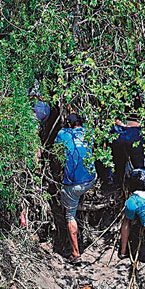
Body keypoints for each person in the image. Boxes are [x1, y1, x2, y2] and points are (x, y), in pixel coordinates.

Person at [54, 113, 97, 265]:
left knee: (69, 216)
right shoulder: (89, 132)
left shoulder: (63, 134)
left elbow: (57, 154)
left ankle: (75, 253)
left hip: (72, 186)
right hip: (91, 180)